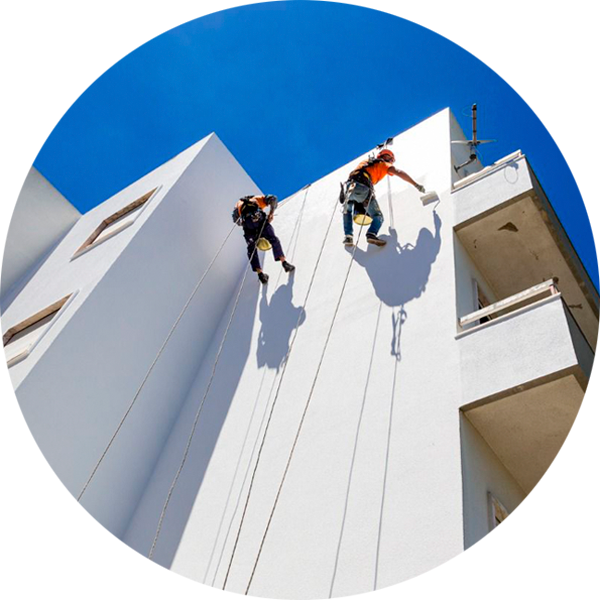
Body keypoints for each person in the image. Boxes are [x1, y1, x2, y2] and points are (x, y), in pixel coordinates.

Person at [341, 149, 425, 247]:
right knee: (378, 216)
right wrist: (416, 185)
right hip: (362, 187)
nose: (391, 162)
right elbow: (398, 172)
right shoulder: (383, 164)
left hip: (349, 187)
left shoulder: (366, 163)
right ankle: (371, 234)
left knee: (347, 211)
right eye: (391, 160)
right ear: (387, 157)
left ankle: (348, 236)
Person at [233, 194, 295, 284]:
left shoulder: (238, 205)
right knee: (273, 239)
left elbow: (236, 220)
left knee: (251, 249)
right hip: (259, 219)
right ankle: (284, 262)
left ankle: (260, 274)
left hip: (248, 225)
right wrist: (271, 214)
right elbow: (272, 199)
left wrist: (247, 224)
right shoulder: (256, 199)